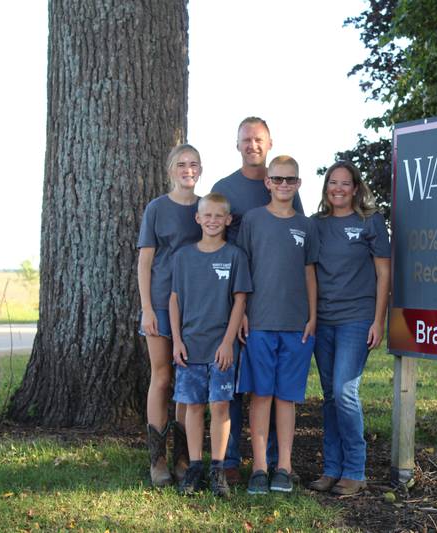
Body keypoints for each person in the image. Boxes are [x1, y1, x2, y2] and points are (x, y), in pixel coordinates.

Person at [211, 116, 303, 485]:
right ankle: (230, 459)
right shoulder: (225, 187)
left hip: (274, 304)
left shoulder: (285, 186)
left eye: (259, 139)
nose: (253, 145)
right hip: (230, 296)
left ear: (269, 143)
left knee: (268, 389)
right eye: (246, 139)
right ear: (238, 145)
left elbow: (297, 246)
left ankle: (278, 464)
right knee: (233, 381)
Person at [236, 155, 318, 494]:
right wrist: (240, 312)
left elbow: (309, 271)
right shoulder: (253, 220)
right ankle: (258, 466)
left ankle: (283, 465)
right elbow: (241, 267)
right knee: (261, 395)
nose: (284, 185)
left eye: (290, 180)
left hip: (296, 324)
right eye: (278, 179)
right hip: (259, 322)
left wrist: (313, 316)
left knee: (286, 397)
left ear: (298, 184)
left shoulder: (306, 225)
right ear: (267, 182)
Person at [308, 161, 390, 496]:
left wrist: (379, 319)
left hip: (357, 319)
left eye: (345, 183)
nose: (338, 189)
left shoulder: (371, 221)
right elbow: (309, 273)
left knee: (345, 391)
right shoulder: (316, 225)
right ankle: (332, 469)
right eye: (332, 183)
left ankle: (355, 470)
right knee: (329, 397)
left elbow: (384, 273)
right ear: (326, 187)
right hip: (323, 320)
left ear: (355, 188)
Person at [169, 192, 251, 497]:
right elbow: (174, 300)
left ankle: (218, 468)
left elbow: (240, 301)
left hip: (221, 348)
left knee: (219, 405)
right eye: (208, 215)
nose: (213, 221)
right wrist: (176, 341)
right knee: (192, 406)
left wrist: (228, 342)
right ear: (198, 218)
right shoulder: (183, 257)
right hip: (189, 346)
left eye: (220, 216)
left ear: (228, 220)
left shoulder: (234, 256)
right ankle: (194, 467)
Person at [137, 143, 203, 487]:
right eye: (181, 164)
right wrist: (147, 308)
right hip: (161, 304)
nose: (187, 169)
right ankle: (157, 459)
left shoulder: (206, 208)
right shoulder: (157, 209)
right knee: (162, 378)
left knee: (187, 384)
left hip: (196, 309)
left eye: (193, 164)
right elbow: (145, 261)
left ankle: (183, 457)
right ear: (171, 170)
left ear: (200, 169)